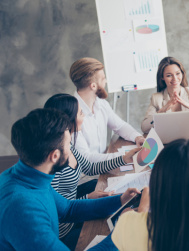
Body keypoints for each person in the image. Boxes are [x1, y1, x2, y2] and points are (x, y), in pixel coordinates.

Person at [0, 108, 140, 250]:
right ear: (54, 156)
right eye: (68, 145)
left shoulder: (32, 173)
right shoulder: (22, 209)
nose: (71, 149)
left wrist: (120, 200)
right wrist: (123, 231)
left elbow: (68, 209)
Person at [44, 93, 140, 249]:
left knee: (111, 202)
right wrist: (87, 197)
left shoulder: (69, 144)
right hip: (65, 231)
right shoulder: (54, 163)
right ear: (68, 121)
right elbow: (61, 210)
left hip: (73, 208)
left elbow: (89, 167)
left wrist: (123, 159)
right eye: (81, 113)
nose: (84, 117)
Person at [70, 57, 145, 162]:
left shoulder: (101, 103)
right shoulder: (72, 114)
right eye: (103, 78)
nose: (106, 81)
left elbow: (120, 126)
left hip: (105, 164)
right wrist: (123, 157)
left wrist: (137, 137)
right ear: (93, 86)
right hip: (86, 176)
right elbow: (86, 159)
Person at [141, 56, 189, 133]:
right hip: (168, 141)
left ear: (182, 74)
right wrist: (162, 110)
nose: (175, 78)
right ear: (162, 77)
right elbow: (144, 128)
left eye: (177, 73)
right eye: (169, 75)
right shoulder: (156, 98)